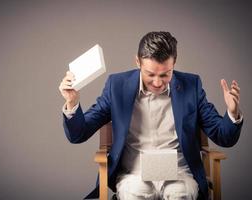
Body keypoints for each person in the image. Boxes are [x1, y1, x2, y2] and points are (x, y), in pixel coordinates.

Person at [59, 32, 243, 200]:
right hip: (133, 175)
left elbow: (223, 136)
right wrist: (72, 102)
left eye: (165, 74)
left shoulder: (191, 86)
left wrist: (232, 112)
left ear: (174, 63)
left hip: (180, 175)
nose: (157, 82)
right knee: (135, 194)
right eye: (150, 74)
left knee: (181, 195)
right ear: (137, 62)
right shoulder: (117, 86)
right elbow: (79, 134)